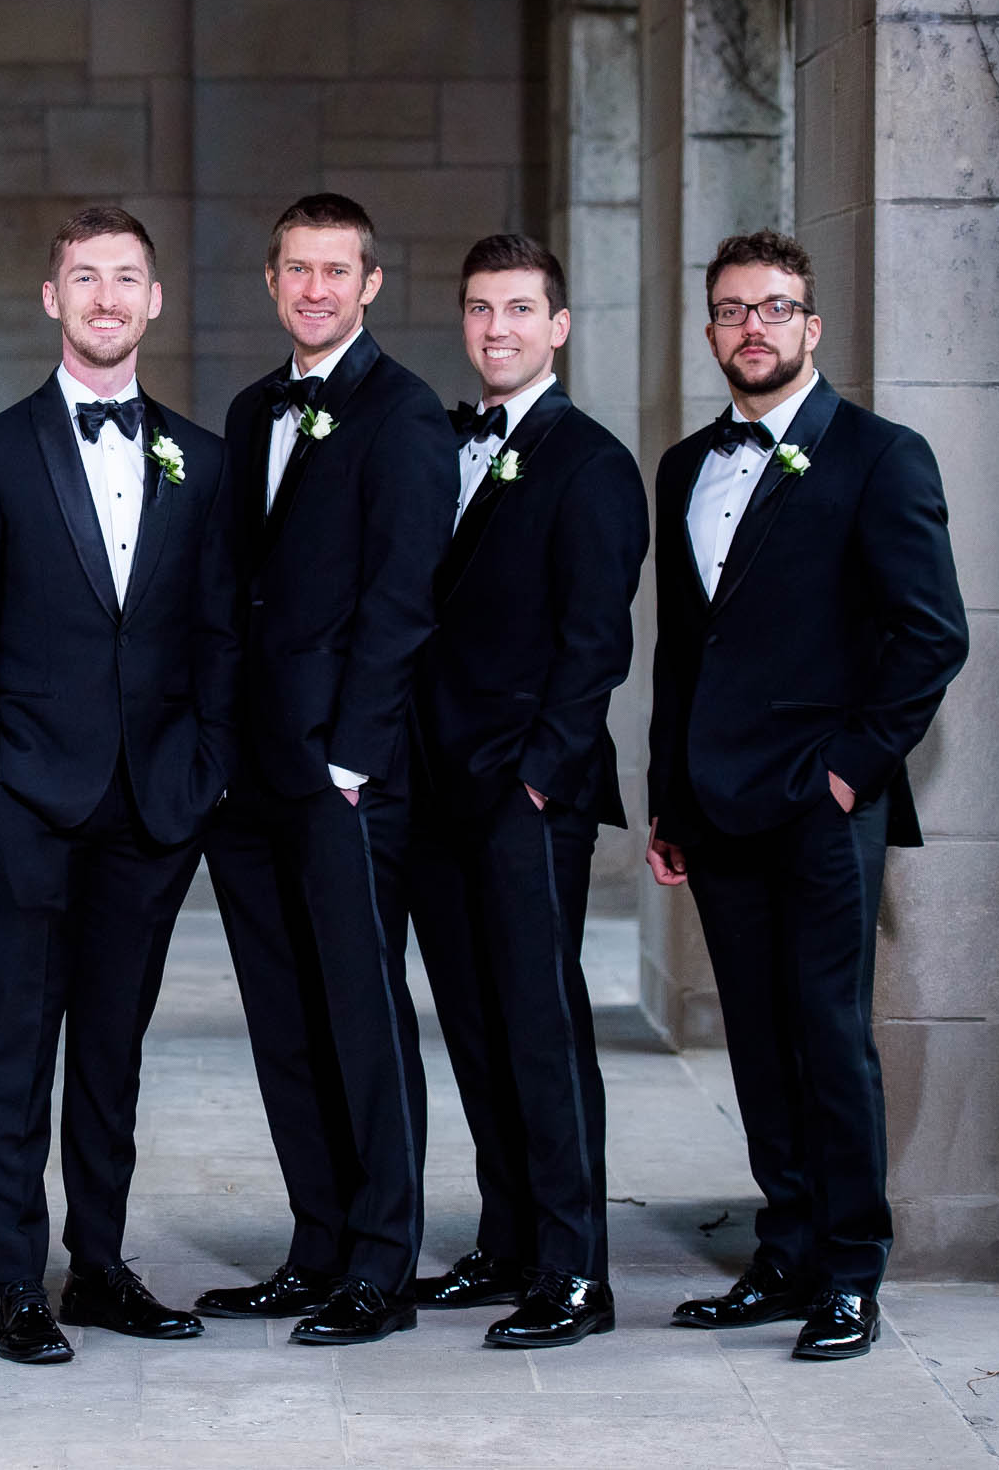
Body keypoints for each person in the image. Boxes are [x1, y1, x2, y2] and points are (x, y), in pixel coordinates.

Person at [646, 229, 968, 1361]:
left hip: (822, 805)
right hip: (716, 802)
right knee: (756, 1040)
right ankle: (782, 1253)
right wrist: (665, 797)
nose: (752, 327)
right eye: (732, 309)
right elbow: (682, 649)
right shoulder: (683, 465)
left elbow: (931, 638)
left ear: (811, 327)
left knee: (829, 1038)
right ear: (710, 330)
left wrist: (845, 773)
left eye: (774, 308)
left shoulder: (881, 456)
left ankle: (849, 1274)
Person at [0, 207, 236, 1364]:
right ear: (50, 298)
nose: (106, 298)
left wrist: (204, 775)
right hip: (28, 803)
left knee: (114, 1050)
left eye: (127, 280)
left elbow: (218, 637)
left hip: (154, 807)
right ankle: (18, 1280)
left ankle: (99, 1267)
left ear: (154, 301)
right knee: (17, 1044)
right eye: (84, 278)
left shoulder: (201, 462)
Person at [195, 193, 456, 1346]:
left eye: (335, 270)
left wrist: (353, 752)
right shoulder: (252, 411)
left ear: (370, 284)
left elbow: (403, 604)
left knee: (360, 1014)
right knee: (283, 1016)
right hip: (249, 774)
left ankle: (380, 1262)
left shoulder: (404, 417)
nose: (315, 289)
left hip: (344, 772)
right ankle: (315, 1241)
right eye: (296, 269)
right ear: (271, 281)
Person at [406, 235, 648, 1350]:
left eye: (518, 309)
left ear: (557, 326)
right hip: (437, 793)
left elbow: (596, 644)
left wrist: (541, 783)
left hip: (524, 796)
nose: (495, 327)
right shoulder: (449, 446)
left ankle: (573, 1271)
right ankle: (506, 1239)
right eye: (478, 308)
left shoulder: (589, 462)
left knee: (543, 1033)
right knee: (474, 1027)